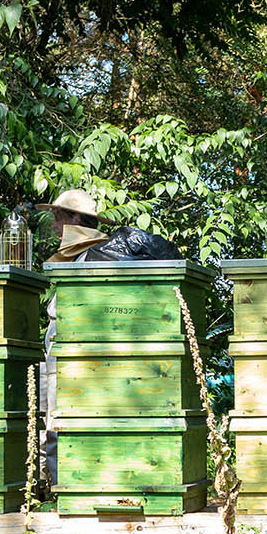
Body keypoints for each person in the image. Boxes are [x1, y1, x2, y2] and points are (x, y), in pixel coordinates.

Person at [38, 188, 182, 480]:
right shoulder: (92, 254)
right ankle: (59, 484)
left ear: (75, 219)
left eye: (58, 218)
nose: (53, 226)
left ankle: (61, 485)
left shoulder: (95, 256)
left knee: (60, 420)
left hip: (72, 351)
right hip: (72, 349)